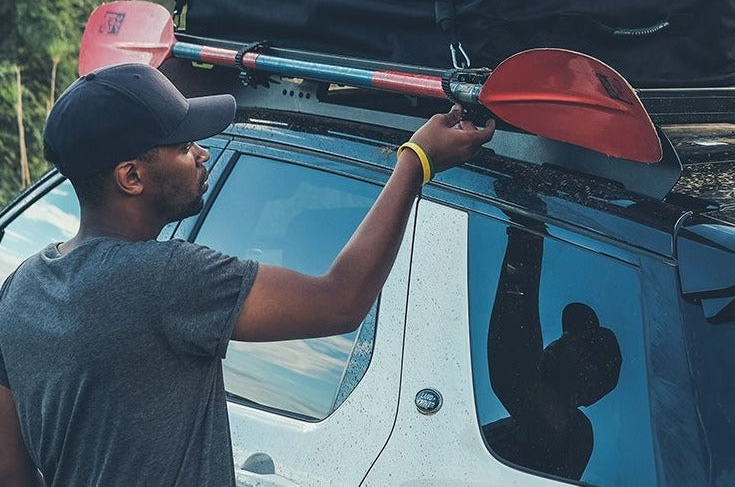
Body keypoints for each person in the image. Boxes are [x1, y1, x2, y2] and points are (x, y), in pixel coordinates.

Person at [0, 63, 494, 487]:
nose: (203, 152)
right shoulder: (165, 279)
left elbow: (12, 473)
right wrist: (416, 161)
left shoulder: (19, 289)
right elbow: (341, 301)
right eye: (184, 144)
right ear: (131, 176)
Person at [484, 222, 622, 481]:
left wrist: (526, 234)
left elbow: (513, 372)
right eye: (564, 334)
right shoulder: (523, 424)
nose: (559, 342)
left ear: (588, 389)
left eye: (580, 344)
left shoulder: (573, 431)